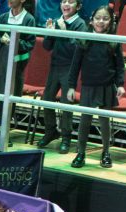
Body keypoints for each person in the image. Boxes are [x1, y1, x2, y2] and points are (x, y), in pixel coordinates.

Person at [68, 6, 125, 168]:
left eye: (105, 18)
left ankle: (106, 152)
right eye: (98, 18)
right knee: (85, 121)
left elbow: (120, 66)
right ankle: (81, 153)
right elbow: (75, 65)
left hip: (107, 86)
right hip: (88, 86)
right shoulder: (84, 39)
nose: (101, 21)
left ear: (111, 22)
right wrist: (71, 86)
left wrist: (120, 85)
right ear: (91, 21)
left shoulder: (114, 41)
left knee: (104, 122)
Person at [37, 0, 88, 153]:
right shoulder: (57, 21)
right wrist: (50, 33)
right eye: (63, 1)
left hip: (70, 68)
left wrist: (64, 31)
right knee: (47, 99)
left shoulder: (80, 24)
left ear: (78, 6)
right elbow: (47, 46)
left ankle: (66, 137)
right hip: (55, 66)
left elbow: (77, 49)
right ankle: (51, 131)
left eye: (70, 2)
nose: (66, 4)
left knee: (66, 103)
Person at [0, 0, 35, 144]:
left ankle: (5, 132)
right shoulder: (3, 17)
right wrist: (1, 40)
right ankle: (1, 130)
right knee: (1, 97)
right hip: (1, 63)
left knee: (11, 98)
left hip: (17, 66)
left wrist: (13, 41)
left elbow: (30, 44)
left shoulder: (29, 19)